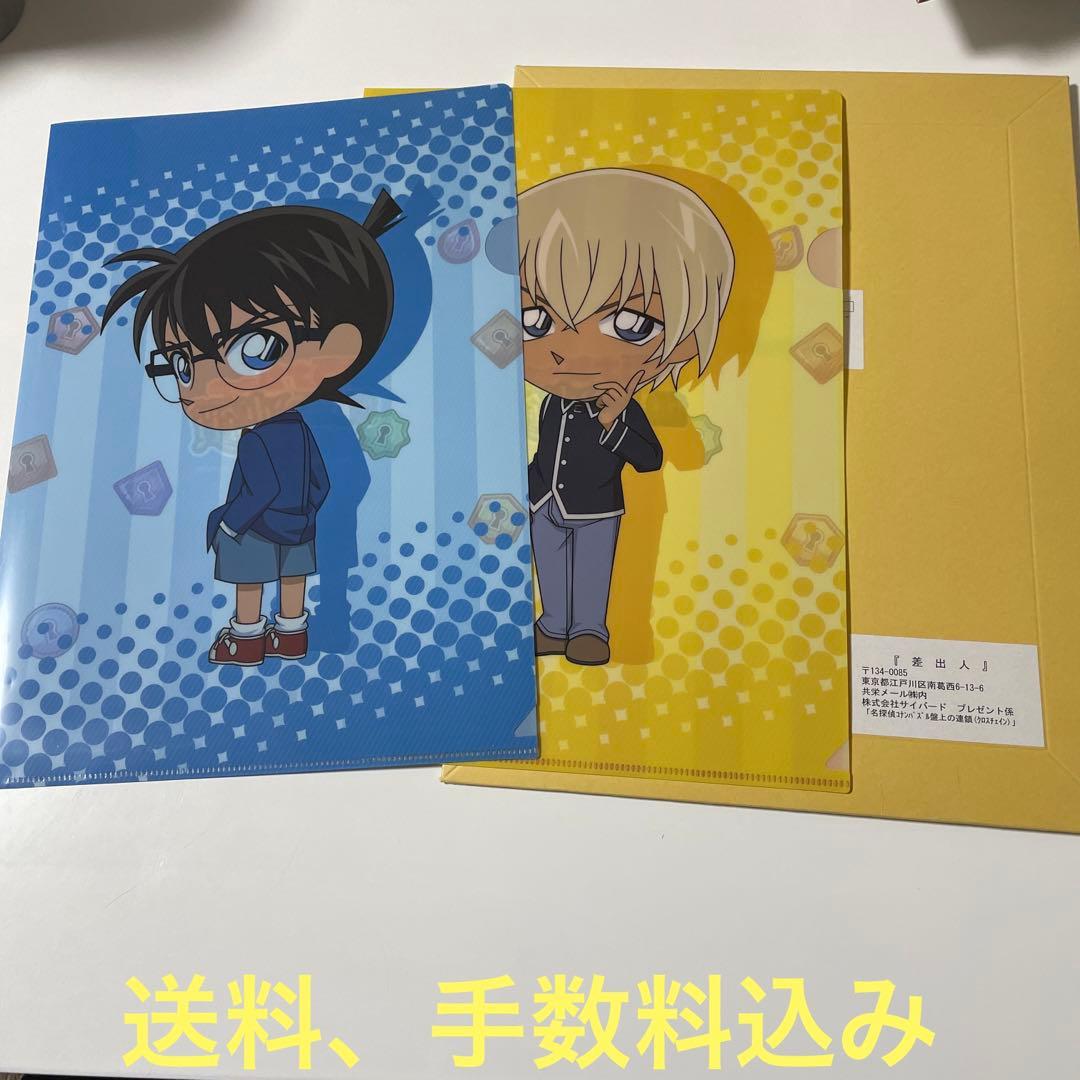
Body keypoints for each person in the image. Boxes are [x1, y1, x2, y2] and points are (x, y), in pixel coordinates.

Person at [102, 191, 401, 665]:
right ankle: (291, 634)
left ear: (336, 349)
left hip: (256, 527)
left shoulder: (261, 436)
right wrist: (305, 512)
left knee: (248, 583)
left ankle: (245, 639)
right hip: (298, 525)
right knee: (293, 582)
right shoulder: (302, 429)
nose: (201, 389)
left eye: (255, 349)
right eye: (183, 365)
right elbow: (324, 480)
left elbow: (262, 486)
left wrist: (230, 522)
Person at [518, 168, 734, 665]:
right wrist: (530, 487)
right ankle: (553, 625)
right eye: (536, 320)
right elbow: (548, 449)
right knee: (550, 566)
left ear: (681, 342)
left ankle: (589, 631)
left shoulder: (625, 408)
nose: (567, 351)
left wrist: (614, 425)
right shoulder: (551, 401)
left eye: (630, 323)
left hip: (597, 509)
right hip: (545, 502)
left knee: (592, 572)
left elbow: (650, 460)